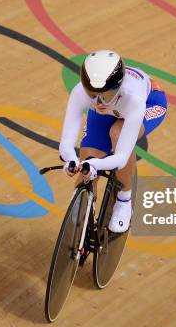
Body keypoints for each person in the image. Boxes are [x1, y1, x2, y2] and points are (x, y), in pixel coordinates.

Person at [59, 50, 168, 233]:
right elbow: (66, 142)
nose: (99, 101)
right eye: (92, 94)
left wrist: (96, 164)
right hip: (115, 108)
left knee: (117, 134)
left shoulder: (135, 99)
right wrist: (72, 159)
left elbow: (121, 157)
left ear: (117, 87)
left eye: (105, 95)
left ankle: (124, 199)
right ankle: (87, 202)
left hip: (150, 102)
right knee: (88, 160)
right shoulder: (81, 92)